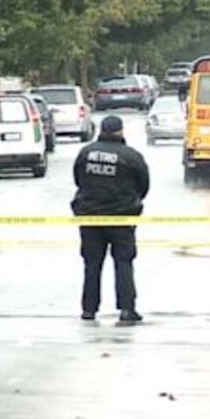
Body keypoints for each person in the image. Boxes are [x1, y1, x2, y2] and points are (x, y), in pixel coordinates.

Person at [71, 115, 150, 323]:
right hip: (122, 218)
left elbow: (78, 179)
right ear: (121, 131)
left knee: (92, 264)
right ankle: (126, 308)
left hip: (90, 217)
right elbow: (143, 185)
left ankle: (89, 309)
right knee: (124, 263)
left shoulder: (86, 153)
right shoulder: (131, 156)